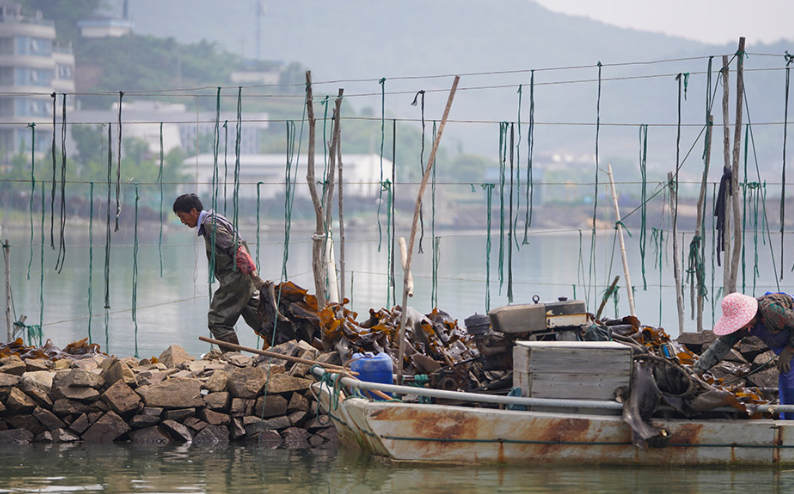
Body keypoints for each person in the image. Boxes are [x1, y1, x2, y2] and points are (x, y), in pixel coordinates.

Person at [173, 193, 262, 348]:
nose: (182, 221)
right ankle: (293, 345)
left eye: (183, 216)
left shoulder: (210, 225)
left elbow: (237, 249)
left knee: (218, 321)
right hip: (242, 279)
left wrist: (255, 276)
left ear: (193, 211)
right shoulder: (213, 219)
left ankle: (234, 361)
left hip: (236, 279)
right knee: (261, 320)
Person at [694, 291, 794, 419]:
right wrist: (697, 369)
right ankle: (788, 422)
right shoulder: (743, 328)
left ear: (751, 315)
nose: (740, 326)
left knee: (792, 384)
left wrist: (789, 350)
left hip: (790, 344)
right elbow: (720, 346)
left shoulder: (772, 311)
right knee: (787, 385)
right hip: (786, 349)